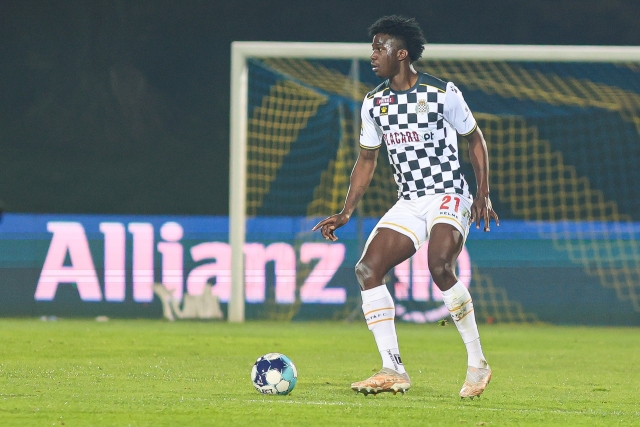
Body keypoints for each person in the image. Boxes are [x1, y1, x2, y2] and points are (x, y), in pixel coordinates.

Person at [312, 15, 499, 398]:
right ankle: (392, 368)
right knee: (367, 269)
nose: (373, 55)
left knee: (439, 265)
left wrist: (482, 194)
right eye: (372, 48)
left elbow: (475, 139)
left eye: (379, 48)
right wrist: (346, 211)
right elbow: (367, 160)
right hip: (410, 201)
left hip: (449, 193)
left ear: (401, 53)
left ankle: (478, 364)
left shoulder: (442, 92)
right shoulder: (374, 103)